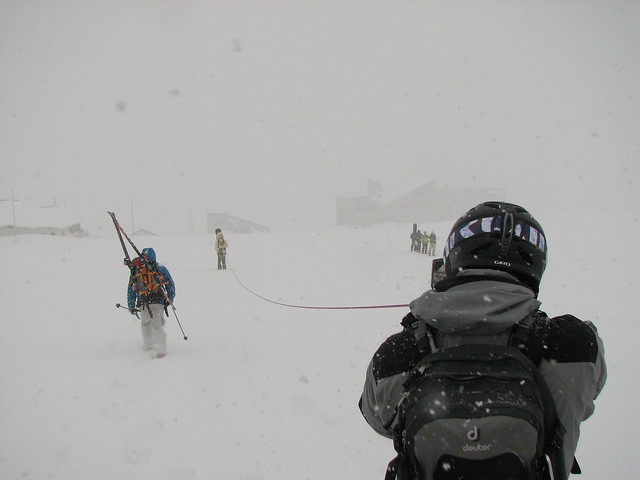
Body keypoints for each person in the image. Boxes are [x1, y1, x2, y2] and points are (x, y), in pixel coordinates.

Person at [359, 201, 606, 480]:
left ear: (453, 257)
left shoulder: (397, 353)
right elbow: (588, 393)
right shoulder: (575, 344)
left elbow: (377, 418)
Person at [127, 247, 175, 358]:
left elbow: (131, 288)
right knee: (157, 324)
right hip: (158, 301)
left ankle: (149, 344)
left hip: (143, 301)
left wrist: (131, 304)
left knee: (145, 322)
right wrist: (171, 297)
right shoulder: (160, 268)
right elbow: (170, 284)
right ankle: (162, 349)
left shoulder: (137, 270)